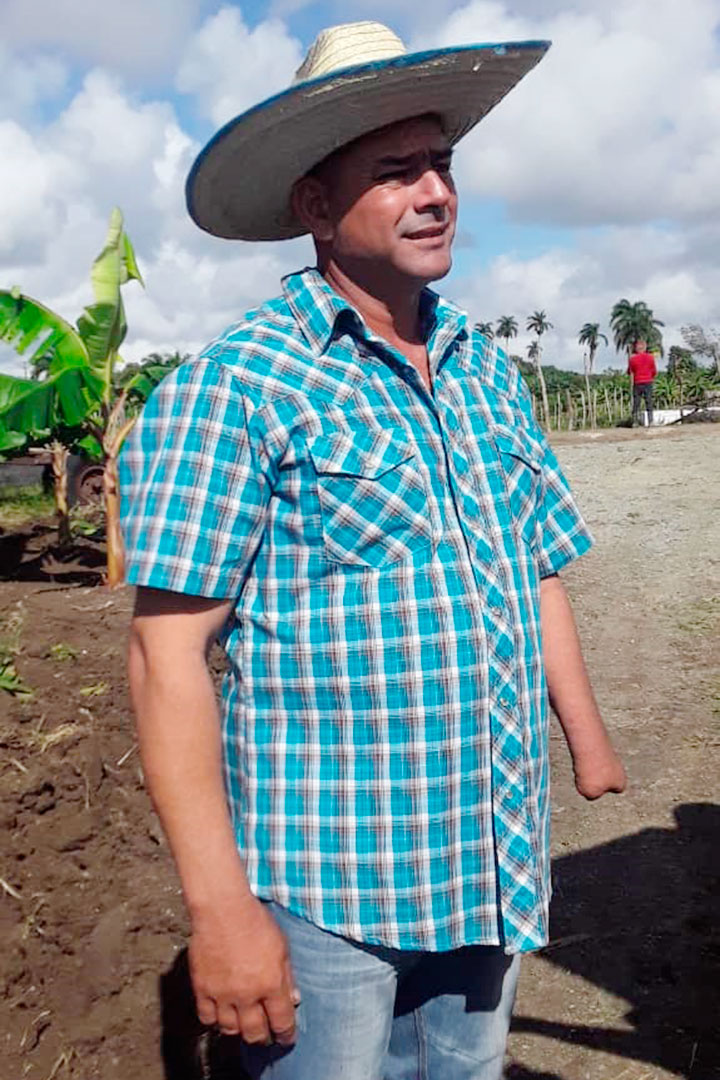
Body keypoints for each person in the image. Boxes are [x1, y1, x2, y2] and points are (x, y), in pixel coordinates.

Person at [120, 21, 626, 1080]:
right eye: (394, 172)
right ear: (314, 204)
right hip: (331, 892)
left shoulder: (484, 372)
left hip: (489, 859)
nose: (434, 192)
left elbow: (535, 571)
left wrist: (585, 743)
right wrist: (221, 914)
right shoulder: (240, 387)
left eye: (439, 163)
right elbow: (165, 658)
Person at [628, 338, 657, 426]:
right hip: (648, 381)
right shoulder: (650, 357)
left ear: (636, 348)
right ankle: (651, 421)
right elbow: (654, 371)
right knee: (649, 401)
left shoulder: (632, 359)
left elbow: (630, 371)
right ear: (645, 347)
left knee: (637, 402)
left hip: (637, 382)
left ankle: (635, 422)